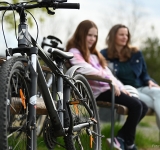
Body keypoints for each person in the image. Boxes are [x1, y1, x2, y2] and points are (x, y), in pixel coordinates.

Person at [66, 20, 148, 150]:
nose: (93, 39)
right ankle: (129, 144)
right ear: (81, 34)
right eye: (89, 35)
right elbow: (84, 69)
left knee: (143, 106)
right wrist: (110, 82)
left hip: (107, 88)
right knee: (137, 105)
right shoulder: (75, 51)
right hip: (95, 92)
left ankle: (120, 138)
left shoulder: (93, 55)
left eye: (95, 36)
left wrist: (120, 87)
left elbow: (108, 73)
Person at [100, 24, 160, 130]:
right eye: (121, 35)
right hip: (126, 89)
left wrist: (149, 80)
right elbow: (105, 74)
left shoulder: (136, 53)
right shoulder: (104, 54)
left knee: (158, 92)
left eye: (126, 35)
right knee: (155, 101)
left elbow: (144, 73)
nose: (125, 37)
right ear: (113, 36)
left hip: (141, 86)